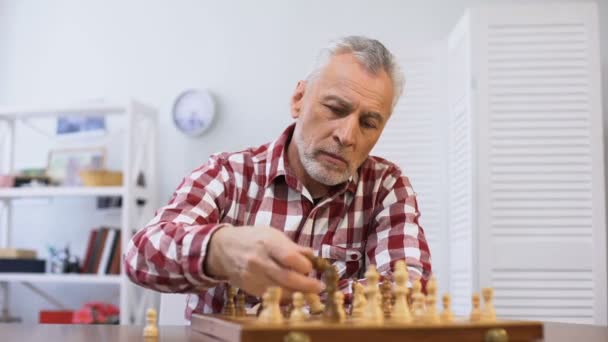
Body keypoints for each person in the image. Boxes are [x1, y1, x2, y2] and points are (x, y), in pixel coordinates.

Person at [124, 36, 432, 319]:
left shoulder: (386, 186)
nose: (347, 136)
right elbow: (141, 256)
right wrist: (219, 249)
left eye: (368, 123)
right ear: (299, 99)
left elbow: (408, 287)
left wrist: (296, 306)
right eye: (335, 109)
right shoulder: (230, 173)